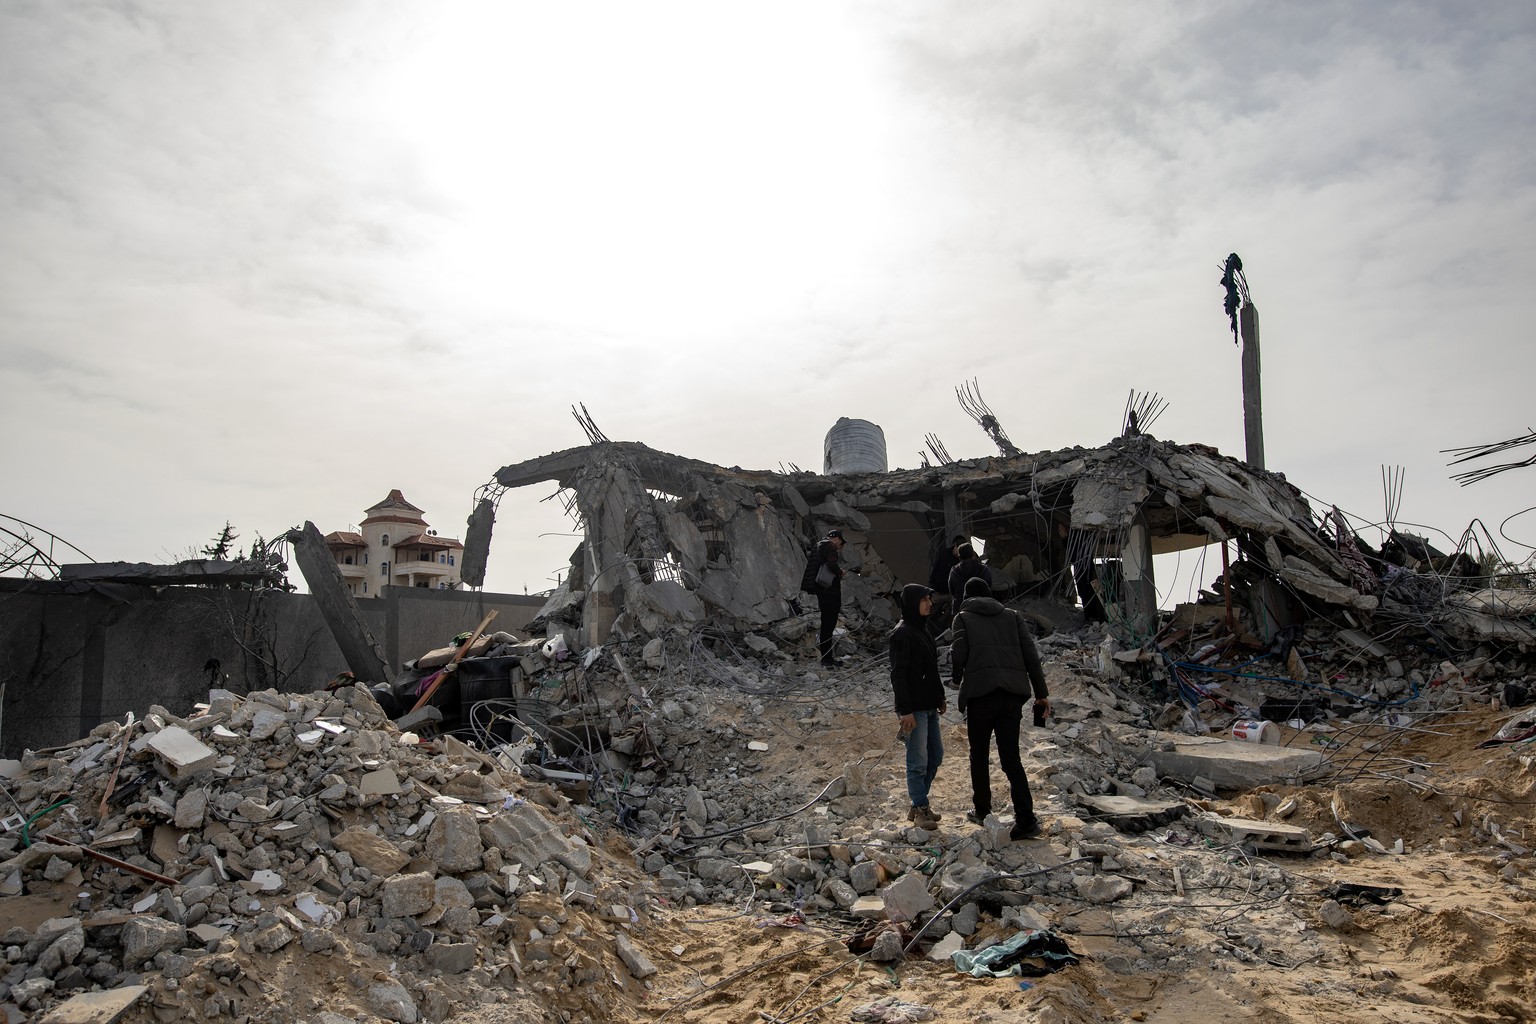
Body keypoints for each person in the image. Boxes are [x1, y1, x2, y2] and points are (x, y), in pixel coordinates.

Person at [950, 575, 1050, 841]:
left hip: (981, 695)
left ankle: (982, 811)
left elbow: (959, 655)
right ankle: (1026, 820)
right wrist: (1042, 694)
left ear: (967, 597)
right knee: (1011, 758)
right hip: (1011, 695)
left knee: (979, 755)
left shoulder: (963, 617)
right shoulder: (1013, 616)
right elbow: (1031, 655)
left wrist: (956, 677)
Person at [889, 583, 946, 828]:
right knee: (918, 760)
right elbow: (898, 674)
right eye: (924, 600)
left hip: (930, 706)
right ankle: (921, 805)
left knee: (936, 756)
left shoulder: (923, 629)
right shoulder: (902, 633)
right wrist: (905, 710)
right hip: (914, 709)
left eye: (929, 599)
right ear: (912, 602)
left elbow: (931, 669)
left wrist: (940, 696)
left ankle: (918, 804)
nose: (929, 604)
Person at [801, 529, 847, 667]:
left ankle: (826, 657)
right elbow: (832, 564)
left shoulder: (818, 545)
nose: (839, 547)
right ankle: (827, 659)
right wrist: (840, 573)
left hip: (820, 590)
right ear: (838, 539)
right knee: (829, 624)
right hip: (830, 591)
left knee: (825, 624)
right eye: (840, 544)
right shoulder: (830, 546)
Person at [926, 535, 966, 633]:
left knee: (953, 612)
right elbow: (935, 569)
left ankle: (946, 631)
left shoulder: (961, 560)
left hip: (950, 594)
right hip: (937, 591)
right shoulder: (944, 554)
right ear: (955, 546)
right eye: (959, 549)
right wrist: (931, 584)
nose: (959, 553)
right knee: (929, 613)